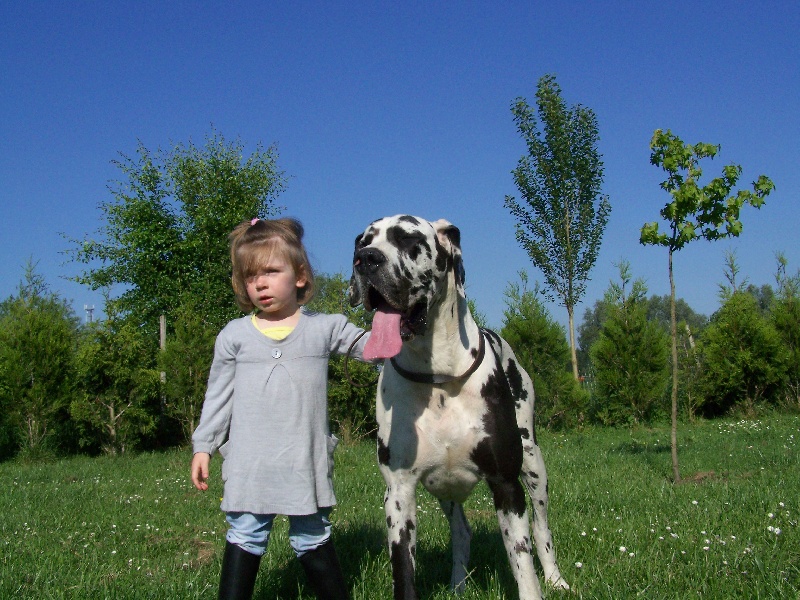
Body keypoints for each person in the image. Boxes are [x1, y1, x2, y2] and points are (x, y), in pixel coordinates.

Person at [191, 217, 372, 600]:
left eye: (271, 271)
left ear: (300, 275)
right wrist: (203, 445)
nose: (261, 283)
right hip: (250, 466)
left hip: (302, 463)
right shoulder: (234, 336)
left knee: (312, 536)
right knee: (245, 535)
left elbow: (375, 349)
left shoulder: (326, 328)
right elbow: (218, 396)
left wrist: (406, 331)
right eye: (250, 275)